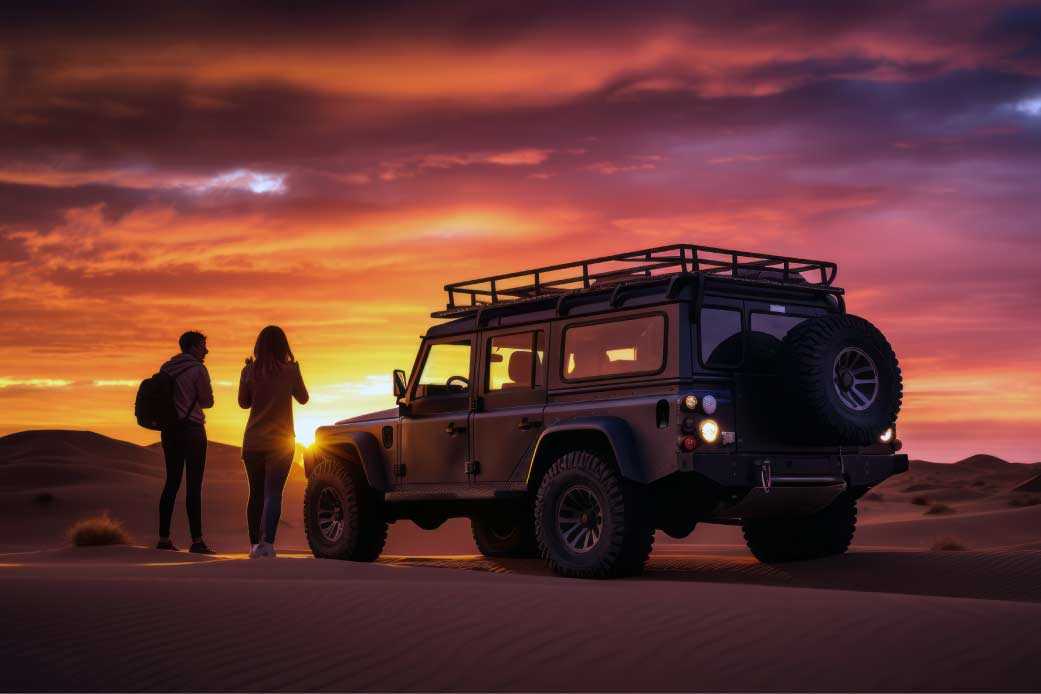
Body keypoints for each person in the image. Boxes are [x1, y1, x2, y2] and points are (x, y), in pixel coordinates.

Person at [238, 325, 309, 558]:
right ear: (283, 346)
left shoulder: (248, 371)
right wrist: (295, 373)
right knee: (273, 494)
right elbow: (304, 398)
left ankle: (252, 546)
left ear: (259, 346)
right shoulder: (290, 371)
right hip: (281, 442)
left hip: (253, 441)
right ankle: (268, 544)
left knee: (255, 494)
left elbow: (243, 403)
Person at [157, 330, 216, 554]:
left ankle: (163, 539)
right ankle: (197, 541)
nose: (206, 350)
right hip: (192, 430)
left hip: (170, 432)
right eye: (202, 346)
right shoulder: (198, 369)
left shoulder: (166, 367)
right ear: (192, 347)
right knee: (193, 486)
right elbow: (208, 401)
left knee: (171, 483)